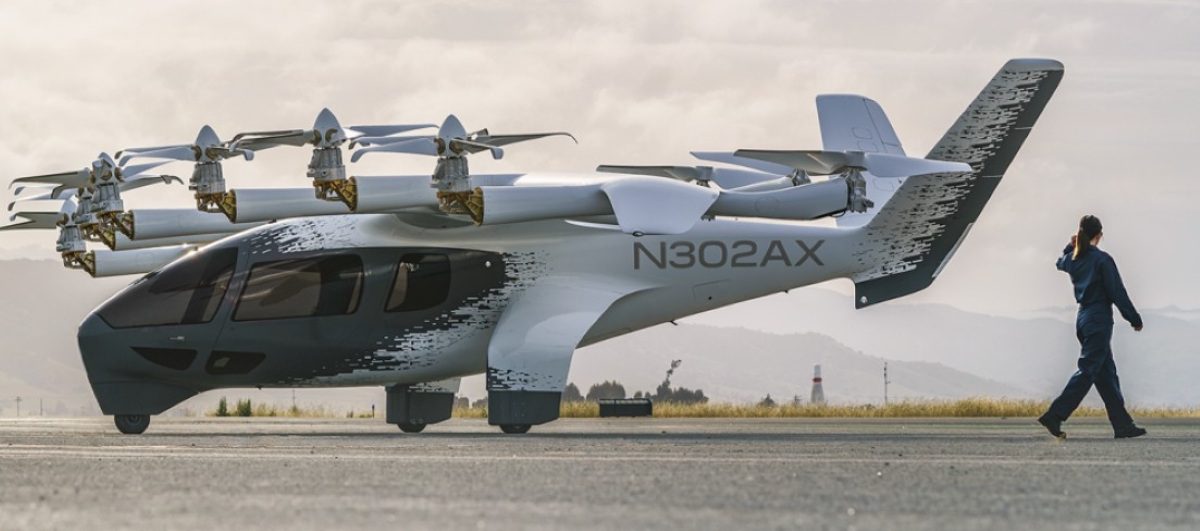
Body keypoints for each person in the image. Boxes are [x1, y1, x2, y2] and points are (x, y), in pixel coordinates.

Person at [1038, 215, 1146, 439]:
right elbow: (1117, 292)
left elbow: (1060, 261)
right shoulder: (1102, 260)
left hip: (1083, 319)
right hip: (1098, 319)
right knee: (1088, 371)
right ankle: (1055, 415)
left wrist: (1070, 244)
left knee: (1106, 374)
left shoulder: (1074, 258)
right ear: (1099, 235)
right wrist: (1134, 318)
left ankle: (1122, 425)